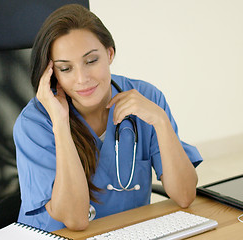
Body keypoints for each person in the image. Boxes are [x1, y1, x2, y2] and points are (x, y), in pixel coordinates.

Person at [13, 4, 202, 232]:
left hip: (127, 233)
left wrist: (160, 122)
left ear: (109, 54)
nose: (82, 78)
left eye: (91, 61)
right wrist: (61, 125)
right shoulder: (34, 123)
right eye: (66, 68)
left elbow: (184, 196)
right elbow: (76, 220)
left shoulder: (147, 98)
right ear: (52, 74)